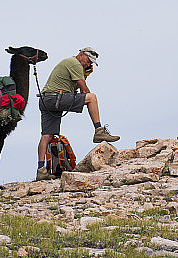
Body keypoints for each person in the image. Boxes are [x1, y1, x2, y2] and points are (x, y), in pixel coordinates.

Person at [36, 47, 120, 181]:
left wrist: (84, 76)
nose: (88, 64)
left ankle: (41, 170)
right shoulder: (74, 63)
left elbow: (74, 88)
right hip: (56, 98)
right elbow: (84, 90)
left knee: (47, 135)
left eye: (91, 63)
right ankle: (99, 130)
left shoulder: (70, 64)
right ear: (81, 54)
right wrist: (84, 78)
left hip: (46, 100)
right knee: (91, 97)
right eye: (88, 60)